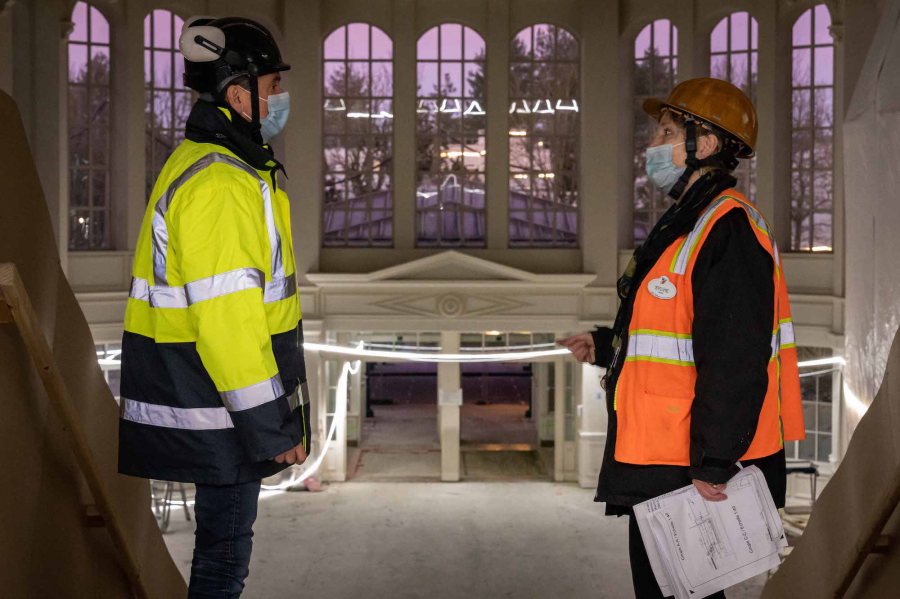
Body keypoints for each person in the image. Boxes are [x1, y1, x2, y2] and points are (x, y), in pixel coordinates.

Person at [558, 78, 805, 599]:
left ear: (707, 145)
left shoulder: (728, 228)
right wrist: (606, 347)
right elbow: (676, 330)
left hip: (689, 465)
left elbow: (736, 355)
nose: (653, 146)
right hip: (662, 458)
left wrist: (715, 461)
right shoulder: (687, 222)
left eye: (667, 132)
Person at [118, 16, 310, 598]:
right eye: (273, 86)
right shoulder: (221, 183)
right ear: (238, 93)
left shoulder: (230, 168)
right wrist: (270, 426)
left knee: (222, 553)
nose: (280, 99)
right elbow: (229, 322)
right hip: (221, 407)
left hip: (215, 400)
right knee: (224, 561)